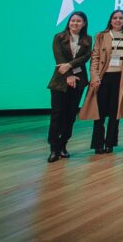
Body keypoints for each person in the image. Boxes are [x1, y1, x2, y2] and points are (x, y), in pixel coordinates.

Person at [79, 9, 123, 154]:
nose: (118, 20)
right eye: (115, 18)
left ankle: (110, 143)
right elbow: (95, 58)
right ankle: (98, 144)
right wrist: (94, 77)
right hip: (103, 78)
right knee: (99, 112)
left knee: (114, 113)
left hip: (120, 79)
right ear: (110, 21)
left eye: (121, 18)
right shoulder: (101, 36)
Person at [47, 11, 92, 162]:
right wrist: (69, 75)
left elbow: (85, 57)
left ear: (84, 24)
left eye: (79, 21)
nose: (75, 23)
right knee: (57, 114)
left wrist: (71, 67)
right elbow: (59, 60)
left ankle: (63, 145)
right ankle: (53, 148)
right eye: (73, 20)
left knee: (71, 115)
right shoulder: (59, 37)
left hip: (78, 82)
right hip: (60, 82)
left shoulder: (87, 39)